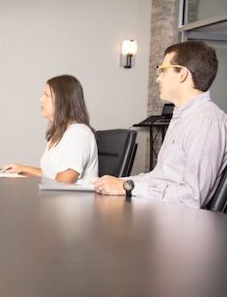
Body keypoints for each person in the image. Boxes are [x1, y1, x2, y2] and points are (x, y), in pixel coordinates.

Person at [93, 40, 227, 208]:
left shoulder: (207, 121)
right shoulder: (182, 117)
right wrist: (116, 182)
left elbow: (192, 197)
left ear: (183, 74)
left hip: (180, 226)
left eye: (163, 70)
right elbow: (158, 177)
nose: (158, 78)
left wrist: (128, 187)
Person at [2, 75, 98, 184]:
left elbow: (64, 181)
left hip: (73, 200)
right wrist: (22, 168)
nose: (41, 99)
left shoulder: (79, 133)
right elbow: (50, 175)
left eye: (46, 95)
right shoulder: (59, 134)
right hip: (55, 198)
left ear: (63, 100)